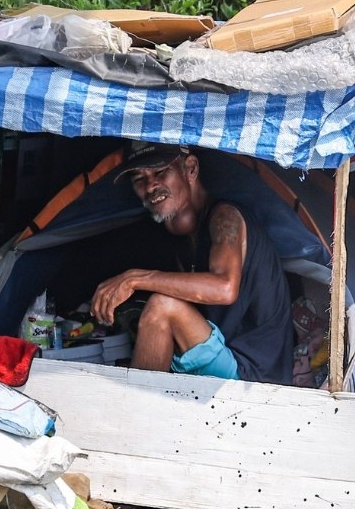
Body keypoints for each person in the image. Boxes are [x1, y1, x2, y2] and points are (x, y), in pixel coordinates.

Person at [91, 144, 293, 384]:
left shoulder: (225, 217)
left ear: (190, 169)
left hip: (253, 376)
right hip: (224, 360)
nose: (150, 186)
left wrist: (134, 278)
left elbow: (225, 288)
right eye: (139, 179)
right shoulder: (180, 239)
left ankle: (138, 418)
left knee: (162, 307)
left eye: (160, 172)